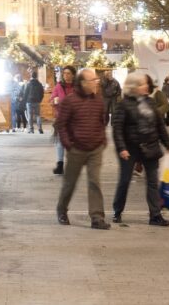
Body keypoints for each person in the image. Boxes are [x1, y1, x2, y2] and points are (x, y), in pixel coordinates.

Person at [112, 71, 169, 226]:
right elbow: (117, 129)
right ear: (133, 87)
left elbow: (159, 125)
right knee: (125, 181)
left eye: (146, 83)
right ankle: (117, 211)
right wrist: (122, 148)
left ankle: (155, 215)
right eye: (142, 84)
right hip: (130, 148)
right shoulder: (123, 105)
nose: (146, 86)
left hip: (150, 146)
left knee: (153, 182)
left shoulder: (151, 102)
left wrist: (168, 144)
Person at [55, 68, 110, 230]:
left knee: (94, 182)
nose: (96, 83)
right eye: (93, 80)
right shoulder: (70, 101)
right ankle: (62, 210)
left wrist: (103, 139)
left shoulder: (99, 100)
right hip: (76, 149)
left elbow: (102, 121)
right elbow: (61, 125)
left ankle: (97, 217)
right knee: (70, 183)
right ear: (84, 83)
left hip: (95, 148)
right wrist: (68, 144)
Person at [50, 65, 77, 175]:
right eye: (64, 73)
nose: (66, 75)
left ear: (73, 75)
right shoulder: (58, 86)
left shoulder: (78, 87)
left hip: (74, 119)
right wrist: (53, 101)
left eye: (68, 73)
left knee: (73, 142)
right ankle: (60, 164)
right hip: (61, 117)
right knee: (61, 141)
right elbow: (52, 99)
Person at [24, 69, 45, 134]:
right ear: (36, 76)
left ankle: (31, 129)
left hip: (29, 101)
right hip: (37, 101)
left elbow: (26, 93)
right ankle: (40, 128)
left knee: (30, 115)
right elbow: (42, 93)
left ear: (31, 76)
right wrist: (40, 100)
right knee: (38, 115)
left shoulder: (28, 84)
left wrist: (25, 101)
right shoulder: (39, 84)